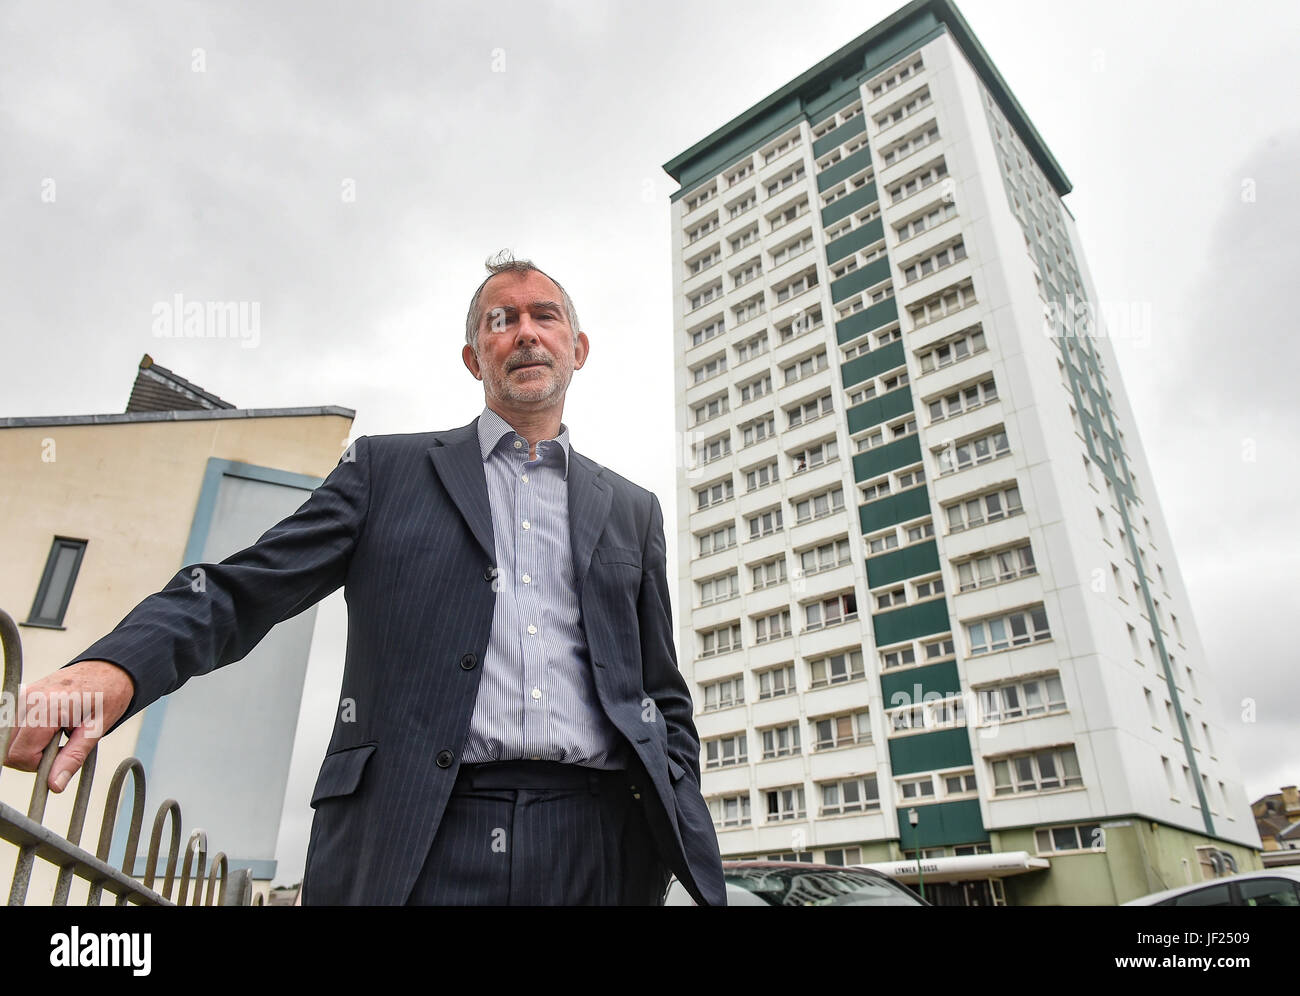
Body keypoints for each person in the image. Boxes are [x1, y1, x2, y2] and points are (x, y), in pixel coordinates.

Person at [3, 251, 727, 906]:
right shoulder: (386, 471)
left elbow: (660, 692)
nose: (525, 333)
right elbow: (242, 586)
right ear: (474, 357)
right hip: (423, 834)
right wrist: (115, 667)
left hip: (598, 843)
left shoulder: (633, 510)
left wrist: (672, 804)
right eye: (499, 321)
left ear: (579, 347)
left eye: (546, 316)